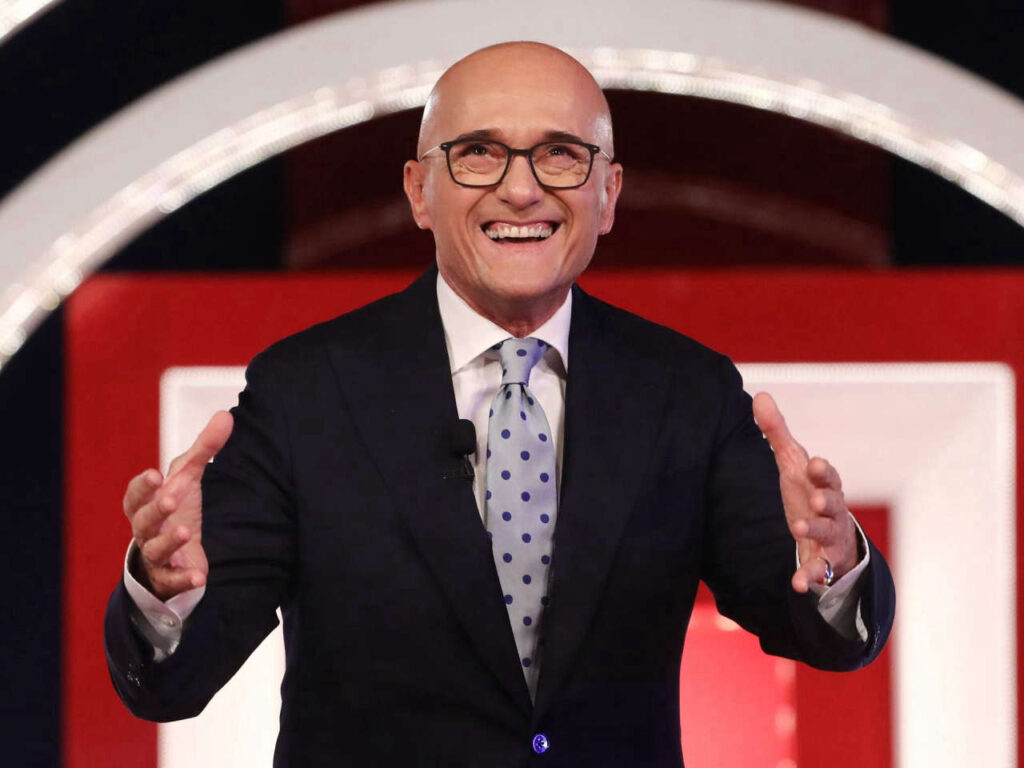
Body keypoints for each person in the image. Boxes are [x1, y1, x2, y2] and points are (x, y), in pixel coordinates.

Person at [105, 41, 894, 767]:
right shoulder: (305, 393)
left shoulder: (685, 391)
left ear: (609, 194)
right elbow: (173, 681)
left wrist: (832, 565)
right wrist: (164, 591)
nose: (521, 189)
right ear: (419, 190)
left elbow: (820, 629)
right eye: (478, 153)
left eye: (561, 154)